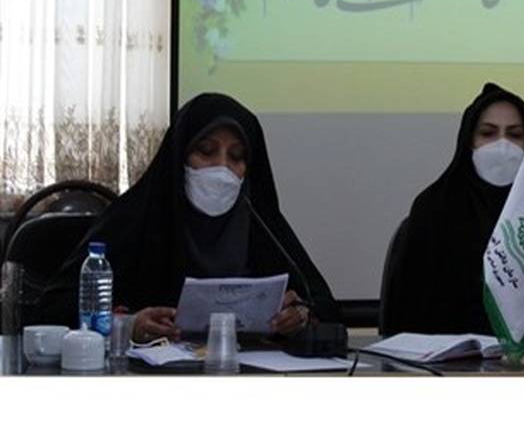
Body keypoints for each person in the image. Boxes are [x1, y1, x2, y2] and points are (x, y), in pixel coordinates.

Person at [33, 92, 338, 342]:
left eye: (236, 157)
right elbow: (50, 310)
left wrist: (300, 315)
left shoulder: (261, 224)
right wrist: (127, 325)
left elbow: (324, 306)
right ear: (179, 157)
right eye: (206, 151)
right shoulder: (135, 217)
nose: (222, 168)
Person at [380, 82, 524, 336]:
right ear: (469, 141)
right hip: (450, 357)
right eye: (488, 133)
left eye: (514, 135)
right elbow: (407, 313)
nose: (502, 145)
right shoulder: (433, 209)